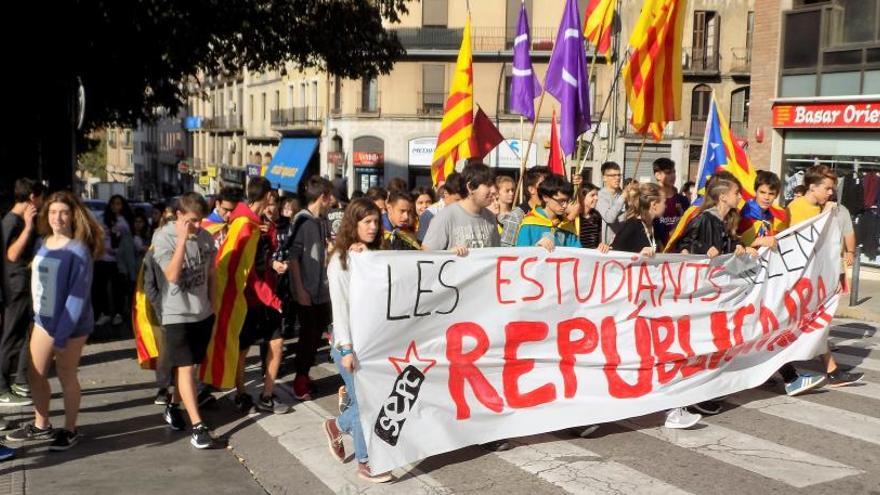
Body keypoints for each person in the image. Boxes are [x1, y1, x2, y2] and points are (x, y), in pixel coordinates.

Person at [6, 191, 103, 451]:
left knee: (66, 376)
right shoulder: (42, 243)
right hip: (42, 321)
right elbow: (16, 261)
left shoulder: (78, 250)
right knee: (34, 375)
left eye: (62, 212)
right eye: (52, 212)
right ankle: (41, 425)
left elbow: (77, 297)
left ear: (73, 215)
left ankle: (70, 430)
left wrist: (61, 335)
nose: (57, 217)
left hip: (71, 326)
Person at [612, 182, 702, 430]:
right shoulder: (632, 227)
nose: (667, 205)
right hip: (630, 306)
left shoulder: (655, 227)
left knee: (661, 356)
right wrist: (635, 256)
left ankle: (672, 409)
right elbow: (612, 260)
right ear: (653, 205)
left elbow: (664, 254)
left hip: (648, 304)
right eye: (663, 202)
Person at [737, 171, 828, 397]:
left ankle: (783, 375)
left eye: (771, 193)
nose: (767, 197)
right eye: (763, 192)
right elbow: (734, 243)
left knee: (766, 328)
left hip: (761, 280)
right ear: (756, 191)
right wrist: (759, 241)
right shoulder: (745, 213)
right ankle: (789, 377)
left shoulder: (771, 216)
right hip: (743, 282)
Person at [323, 198, 392, 483]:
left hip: (376, 342)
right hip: (349, 345)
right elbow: (340, 309)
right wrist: (347, 349)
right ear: (354, 223)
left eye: (376, 221)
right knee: (367, 401)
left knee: (372, 399)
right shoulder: (340, 261)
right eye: (367, 222)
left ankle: (337, 425)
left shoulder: (375, 255)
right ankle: (365, 461)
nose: (374, 227)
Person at [147, 192, 219, 449]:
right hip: (176, 314)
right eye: (193, 221)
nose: (198, 226)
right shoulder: (163, 236)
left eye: (201, 220)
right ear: (179, 216)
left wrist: (213, 306)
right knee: (186, 369)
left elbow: (211, 272)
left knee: (191, 369)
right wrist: (181, 241)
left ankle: (173, 405)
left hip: (203, 313)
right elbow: (172, 275)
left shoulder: (206, 237)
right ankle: (198, 426)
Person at [785, 165, 863, 387]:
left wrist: (836, 275)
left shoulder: (829, 209)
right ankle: (821, 371)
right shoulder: (797, 209)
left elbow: (829, 249)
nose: (831, 192)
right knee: (805, 325)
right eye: (827, 188)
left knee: (815, 323)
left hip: (817, 279)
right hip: (799, 280)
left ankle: (830, 370)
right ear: (812, 187)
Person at [235, 188, 290, 415]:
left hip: (269, 296)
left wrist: (274, 263)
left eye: (276, 203)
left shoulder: (269, 227)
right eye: (270, 201)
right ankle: (240, 393)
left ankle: (267, 395)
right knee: (243, 349)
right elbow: (248, 271)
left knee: (276, 344)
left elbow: (265, 259)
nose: (272, 207)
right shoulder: (245, 224)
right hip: (250, 299)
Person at [288, 176, 335, 401]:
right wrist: (300, 289)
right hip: (306, 288)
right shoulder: (302, 221)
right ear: (322, 197)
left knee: (316, 335)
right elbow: (293, 257)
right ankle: (299, 380)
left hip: (321, 289)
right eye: (330, 196)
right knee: (307, 336)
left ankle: (305, 376)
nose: (332, 200)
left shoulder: (322, 220)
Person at [0, 178, 44, 407]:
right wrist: (28, 227)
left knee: (22, 334)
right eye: (40, 197)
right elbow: (12, 255)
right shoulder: (12, 222)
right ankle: (2, 387)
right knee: (11, 336)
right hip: (15, 286)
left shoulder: (17, 220)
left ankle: (18, 382)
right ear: (31, 198)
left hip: (22, 285)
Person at [422, 163, 501, 253]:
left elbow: (496, 254)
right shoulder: (445, 216)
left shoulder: (490, 217)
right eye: (488, 185)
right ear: (470, 187)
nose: (494, 190)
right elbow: (427, 253)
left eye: (494, 185)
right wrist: (449, 254)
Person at [95, 195, 136, 326]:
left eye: (118, 204)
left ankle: (118, 313)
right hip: (102, 258)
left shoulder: (125, 221)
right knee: (100, 288)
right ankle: (105, 313)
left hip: (118, 261)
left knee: (118, 288)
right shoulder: (102, 218)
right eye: (113, 204)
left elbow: (128, 241)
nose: (115, 207)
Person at [516, 175, 580, 250]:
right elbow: (520, 255)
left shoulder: (566, 225)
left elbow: (578, 253)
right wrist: (536, 247)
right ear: (545, 197)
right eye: (561, 201)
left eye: (567, 201)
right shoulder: (529, 224)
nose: (565, 205)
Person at [500, 166, 549, 247]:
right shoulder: (516, 215)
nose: (548, 188)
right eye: (543, 184)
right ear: (531, 189)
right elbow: (506, 249)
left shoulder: (553, 214)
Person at [417, 172, 464, 242]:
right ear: (445, 193)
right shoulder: (429, 214)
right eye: (457, 200)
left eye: (464, 200)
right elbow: (423, 246)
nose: (461, 204)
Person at [653, 158, 690, 233]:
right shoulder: (651, 200)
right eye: (668, 173)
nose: (673, 176)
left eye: (674, 172)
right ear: (657, 175)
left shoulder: (683, 200)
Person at [596, 161, 626, 245]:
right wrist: (623, 197)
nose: (617, 178)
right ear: (604, 178)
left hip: (622, 244)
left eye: (619, 175)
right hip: (606, 247)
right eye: (613, 175)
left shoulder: (622, 194)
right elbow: (609, 218)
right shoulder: (600, 196)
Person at [577, 182, 602, 249]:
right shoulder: (576, 217)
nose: (596, 198)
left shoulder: (596, 215)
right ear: (583, 197)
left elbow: (599, 240)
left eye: (597, 195)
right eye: (592, 195)